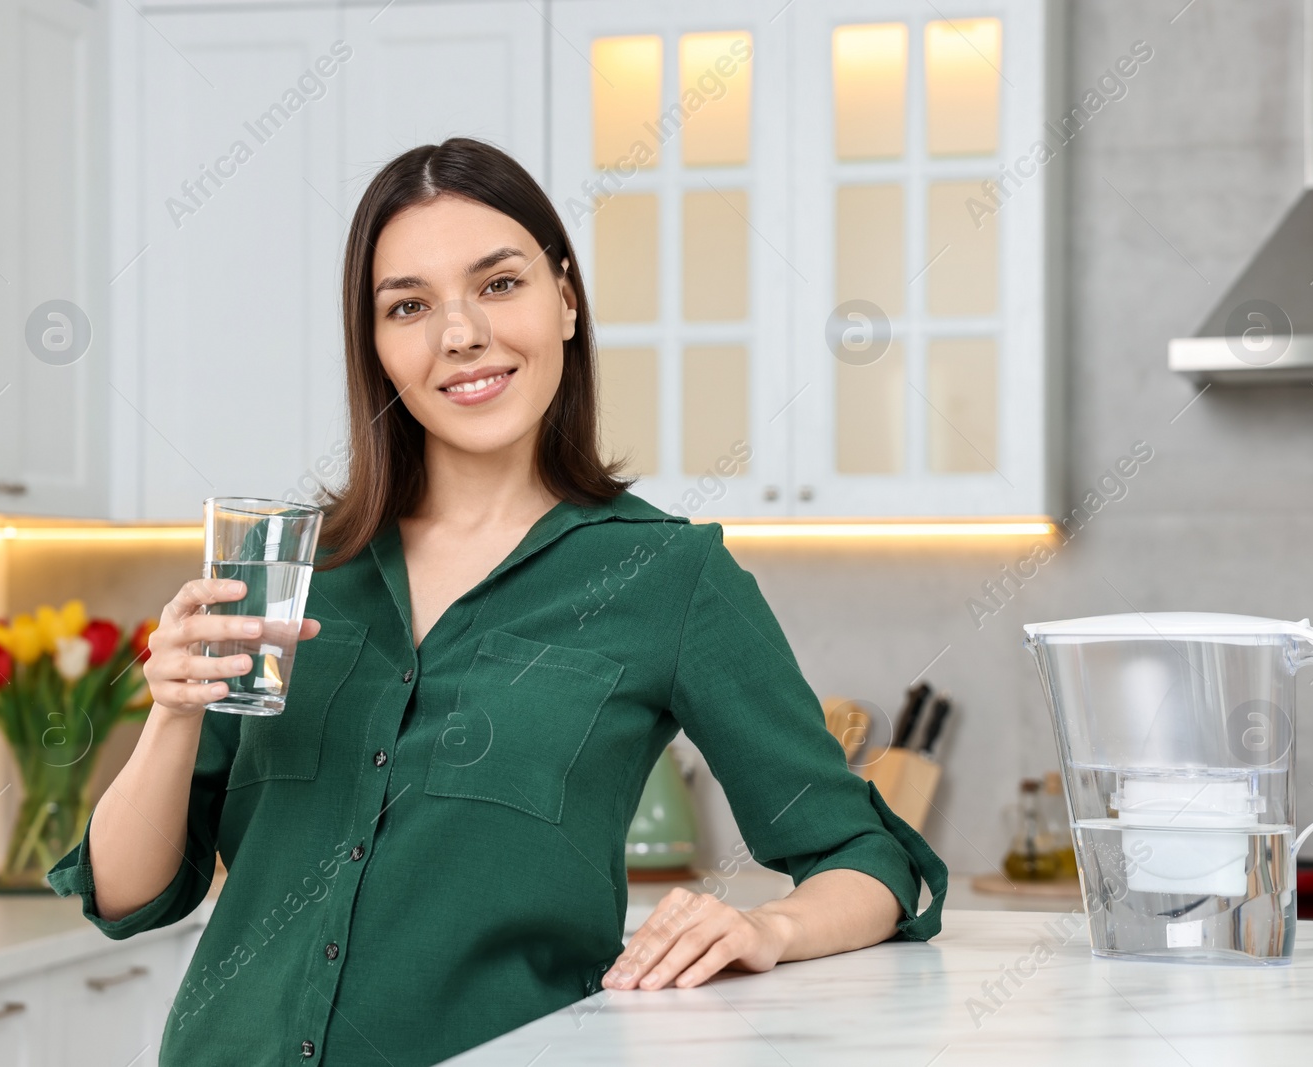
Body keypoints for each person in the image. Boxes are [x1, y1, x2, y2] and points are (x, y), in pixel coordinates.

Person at [49, 137, 947, 1066]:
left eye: (499, 284)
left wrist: (769, 930)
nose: (460, 334)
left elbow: (863, 856)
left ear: (564, 299)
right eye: (409, 305)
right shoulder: (292, 569)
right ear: (377, 346)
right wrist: (170, 713)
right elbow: (127, 895)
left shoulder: (667, 576)